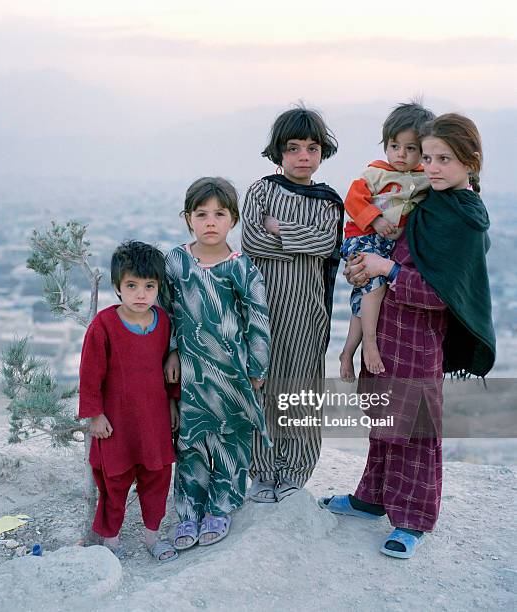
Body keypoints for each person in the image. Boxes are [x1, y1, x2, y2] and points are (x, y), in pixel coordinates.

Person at [318, 113, 496, 559]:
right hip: (387, 327)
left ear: (470, 162)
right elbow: (386, 241)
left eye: (444, 159)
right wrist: (365, 268)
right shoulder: (429, 200)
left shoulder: (463, 218)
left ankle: (413, 519)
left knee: (416, 429)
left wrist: (387, 270)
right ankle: (372, 498)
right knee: (383, 417)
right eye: (428, 156)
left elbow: (441, 295)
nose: (432, 167)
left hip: (419, 337)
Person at [240, 105, 344, 502]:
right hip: (262, 310)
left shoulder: (329, 201)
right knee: (261, 387)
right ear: (279, 152)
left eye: (312, 148)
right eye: (294, 148)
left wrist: (279, 229)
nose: (303, 157)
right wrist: (302, 242)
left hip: (306, 312)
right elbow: (252, 241)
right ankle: (262, 471)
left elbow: (326, 243)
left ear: (322, 152)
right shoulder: (263, 190)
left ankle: (295, 471)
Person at [162, 177, 271, 549]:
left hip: (232, 371)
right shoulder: (175, 261)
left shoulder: (241, 267)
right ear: (187, 218)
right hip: (191, 371)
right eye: (201, 214)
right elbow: (165, 311)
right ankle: (188, 512)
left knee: (230, 440)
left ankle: (221, 507)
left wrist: (257, 369)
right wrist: (173, 350)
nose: (210, 221)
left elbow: (258, 319)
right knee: (190, 441)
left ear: (233, 220)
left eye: (219, 214)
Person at [78, 240, 180, 563]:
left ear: (158, 287)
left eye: (149, 286)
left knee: (158, 478)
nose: (141, 294)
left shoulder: (162, 323)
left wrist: (174, 404)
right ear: (117, 286)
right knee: (114, 483)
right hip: (116, 425)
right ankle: (111, 541)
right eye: (132, 285)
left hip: (153, 423)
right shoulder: (104, 326)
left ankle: (153, 536)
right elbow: (89, 374)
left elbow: (169, 371)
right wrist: (94, 415)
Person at [339, 101, 435, 381]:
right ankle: (369, 342)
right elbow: (353, 200)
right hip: (363, 237)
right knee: (375, 286)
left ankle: (347, 351)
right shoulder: (376, 172)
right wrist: (376, 220)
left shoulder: (425, 178)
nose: (401, 154)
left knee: (364, 299)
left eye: (410, 148)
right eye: (394, 146)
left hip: (388, 245)